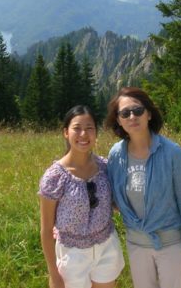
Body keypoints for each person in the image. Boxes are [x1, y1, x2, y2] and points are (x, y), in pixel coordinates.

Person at [105, 87, 181, 288]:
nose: (132, 116)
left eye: (138, 110)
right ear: (118, 120)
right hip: (136, 245)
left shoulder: (172, 152)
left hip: (171, 245)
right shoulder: (116, 155)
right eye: (125, 113)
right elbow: (113, 198)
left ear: (149, 114)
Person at [39, 105, 125, 288]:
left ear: (96, 133)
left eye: (89, 128)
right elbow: (46, 230)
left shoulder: (105, 167)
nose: (83, 134)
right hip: (72, 254)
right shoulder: (54, 177)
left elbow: (118, 203)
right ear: (65, 132)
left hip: (106, 247)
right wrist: (53, 274)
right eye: (77, 128)